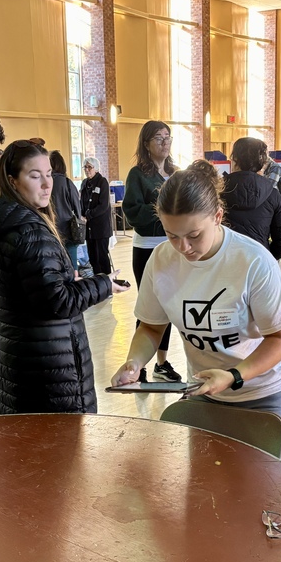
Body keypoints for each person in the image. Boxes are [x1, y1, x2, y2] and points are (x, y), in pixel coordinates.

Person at [111, 168, 281, 456]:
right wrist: (134, 362)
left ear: (217, 215)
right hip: (204, 392)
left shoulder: (253, 260)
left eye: (194, 235)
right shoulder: (161, 260)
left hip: (264, 393)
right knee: (205, 490)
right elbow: (151, 327)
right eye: (171, 235)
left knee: (261, 492)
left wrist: (234, 375)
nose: (183, 247)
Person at [0, 140, 128, 414]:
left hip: (18, 359)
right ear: (12, 181)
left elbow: (34, 291)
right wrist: (103, 284)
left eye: (48, 174)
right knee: (63, 449)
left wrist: (67, 281)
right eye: (35, 176)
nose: (47, 184)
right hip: (46, 367)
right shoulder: (29, 231)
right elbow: (57, 302)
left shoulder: (1, 222)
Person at [122, 120, 183, 383]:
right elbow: (133, 211)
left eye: (168, 137)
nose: (165, 142)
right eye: (158, 137)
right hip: (147, 248)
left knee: (168, 308)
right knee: (150, 308)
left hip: (173, 247)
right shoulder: (138, 174)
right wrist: (166, 213)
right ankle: (139, 366)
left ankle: (161, 362)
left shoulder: (176, 173)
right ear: (146, 143)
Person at [220, 137, 281, 260]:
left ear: (234, 160)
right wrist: (265, 257)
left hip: (224, 261)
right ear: (263, 163)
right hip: (259, 261)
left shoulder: (217, 191)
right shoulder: (272, 194)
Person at [48, 150, 84, 271]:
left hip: (50, 228)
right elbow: (77, 206)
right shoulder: (68, 183)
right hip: (69, 229)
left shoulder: (45, 183)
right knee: (72, 262)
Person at [79, 156, 113, 275]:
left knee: (101, 256)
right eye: (85, 167)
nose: (87, 170)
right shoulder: (84, 183)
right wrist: (81, 214)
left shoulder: (102, 182)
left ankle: (108, 283)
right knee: (92, 256)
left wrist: (88, 215)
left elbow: (103, 205)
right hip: (89, 228)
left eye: (90, 167)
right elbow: (81, 202)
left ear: (96, 169)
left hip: (101, 227)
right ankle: (98, 281)